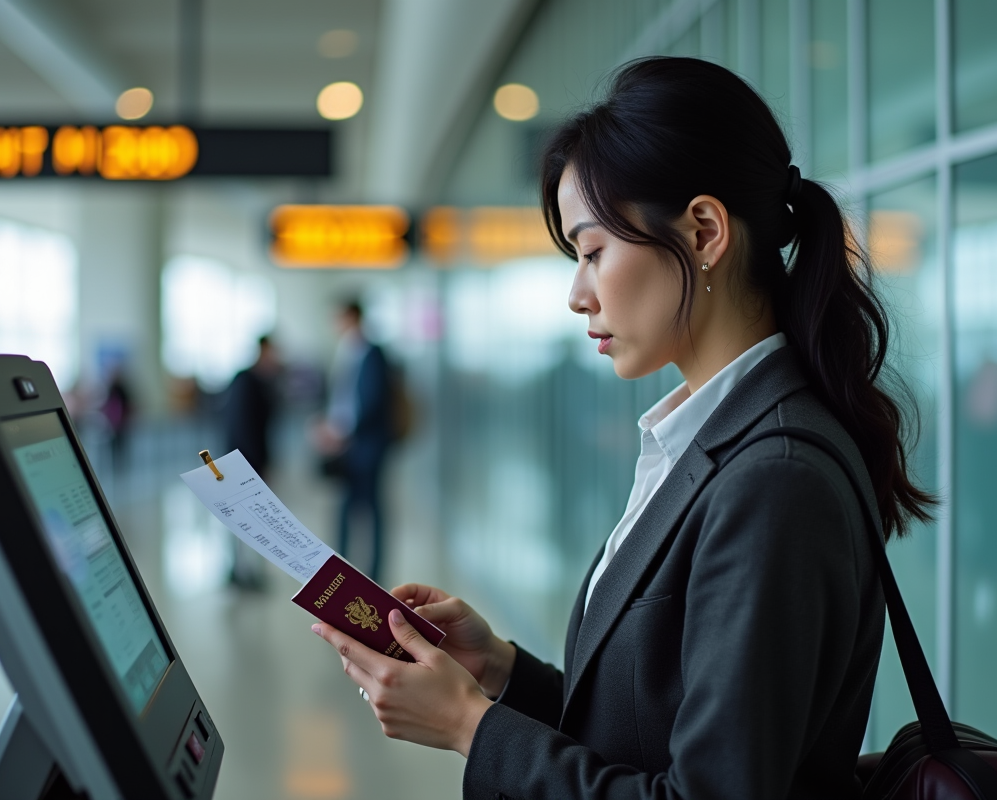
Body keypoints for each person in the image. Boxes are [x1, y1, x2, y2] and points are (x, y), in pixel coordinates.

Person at [311, 57, 935, 798]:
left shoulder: (775, 476)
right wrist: (503, 672)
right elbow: (650, 730)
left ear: (704, 231)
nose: (578, 295)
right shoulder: (709, 439)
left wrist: (468, 728)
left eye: (594, 252)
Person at [315, 300, 393, 583]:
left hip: (367, 446)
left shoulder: (372, 353)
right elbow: (341, 400)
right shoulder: (346, 351)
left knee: (371, 509)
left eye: (338, 317)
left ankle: (375, 574)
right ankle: (342, 570)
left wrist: (341, 430)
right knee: (346, 507)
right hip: (347, 445)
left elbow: (370, 402)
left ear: (352, 317)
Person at [224, 335, 282, 589]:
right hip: (242, 464)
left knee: (257, 518)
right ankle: (239, 570)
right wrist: (253, 465)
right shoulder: (245, 381)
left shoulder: (264, 381)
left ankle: (250, 570)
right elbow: (242, 427)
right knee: (242, 518)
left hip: (254, 462)